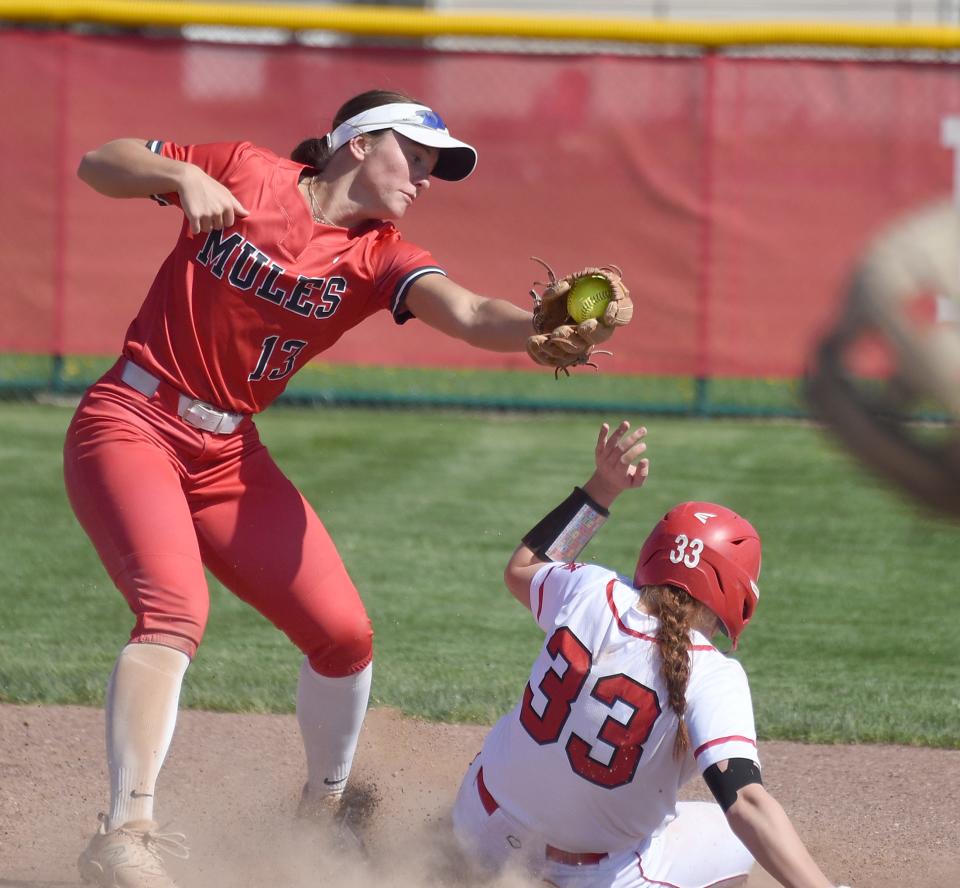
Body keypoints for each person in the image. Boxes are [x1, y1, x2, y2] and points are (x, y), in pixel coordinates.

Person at [65, 88, 616, 888]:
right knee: (175, 610)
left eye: (435, 167)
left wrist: (536, 327)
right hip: (132, 418)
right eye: (417, 156)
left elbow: (465, 311)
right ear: (359, 144)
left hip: (227, 455)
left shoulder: (379, 255)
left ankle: (320, 814)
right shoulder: (244, 172)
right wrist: (175, 177)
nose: (425, 177)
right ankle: (125, 832)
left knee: (344, 636)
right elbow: (96, 163)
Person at [450, 420, 853, 888]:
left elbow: (523, 568)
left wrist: (601, 488)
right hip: (587, 875)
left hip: (477, 828)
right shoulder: (711, 672)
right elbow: (747, 806)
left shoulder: (590, 587)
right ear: (736, 594)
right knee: (734, 844)